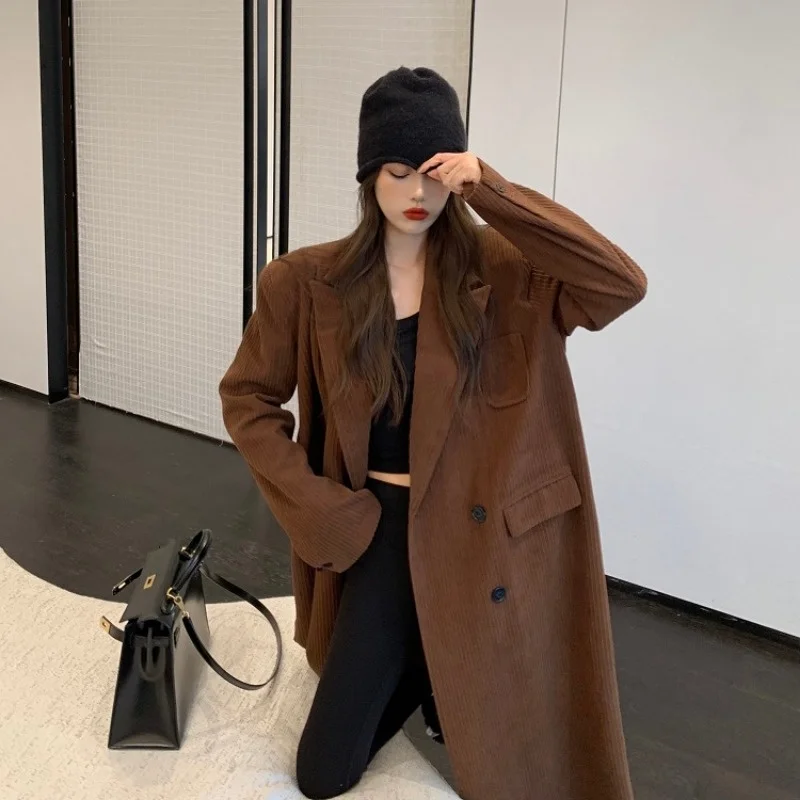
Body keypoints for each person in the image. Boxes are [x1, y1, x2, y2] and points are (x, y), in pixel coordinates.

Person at [220, 66, 647, 800]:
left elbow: (619, 284)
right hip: (375, 527)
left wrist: (493, 190)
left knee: (524, 757)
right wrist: (319, 508)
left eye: (436, 173)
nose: (418, 193)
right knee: (323, 773)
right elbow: (247, 397)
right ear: (368, 176)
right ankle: (426, 662)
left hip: (488, 538)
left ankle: (437, 661)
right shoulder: (305, 281)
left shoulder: (510, 270)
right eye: (398, 172)